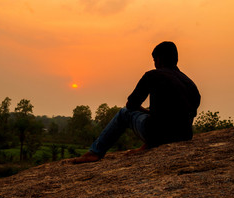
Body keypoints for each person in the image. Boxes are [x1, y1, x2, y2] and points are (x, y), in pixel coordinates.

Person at [70, 41, 201, 164]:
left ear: (159, 59)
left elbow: (131, 104)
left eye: (154, 60)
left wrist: (148, 112)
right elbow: (189, 112)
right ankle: (148, 144)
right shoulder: (190, 84)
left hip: (157, 135)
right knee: (159, 121)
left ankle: (95, 152)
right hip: (184, 136)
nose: (154, 64)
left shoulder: (152, 75)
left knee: (124, 113)